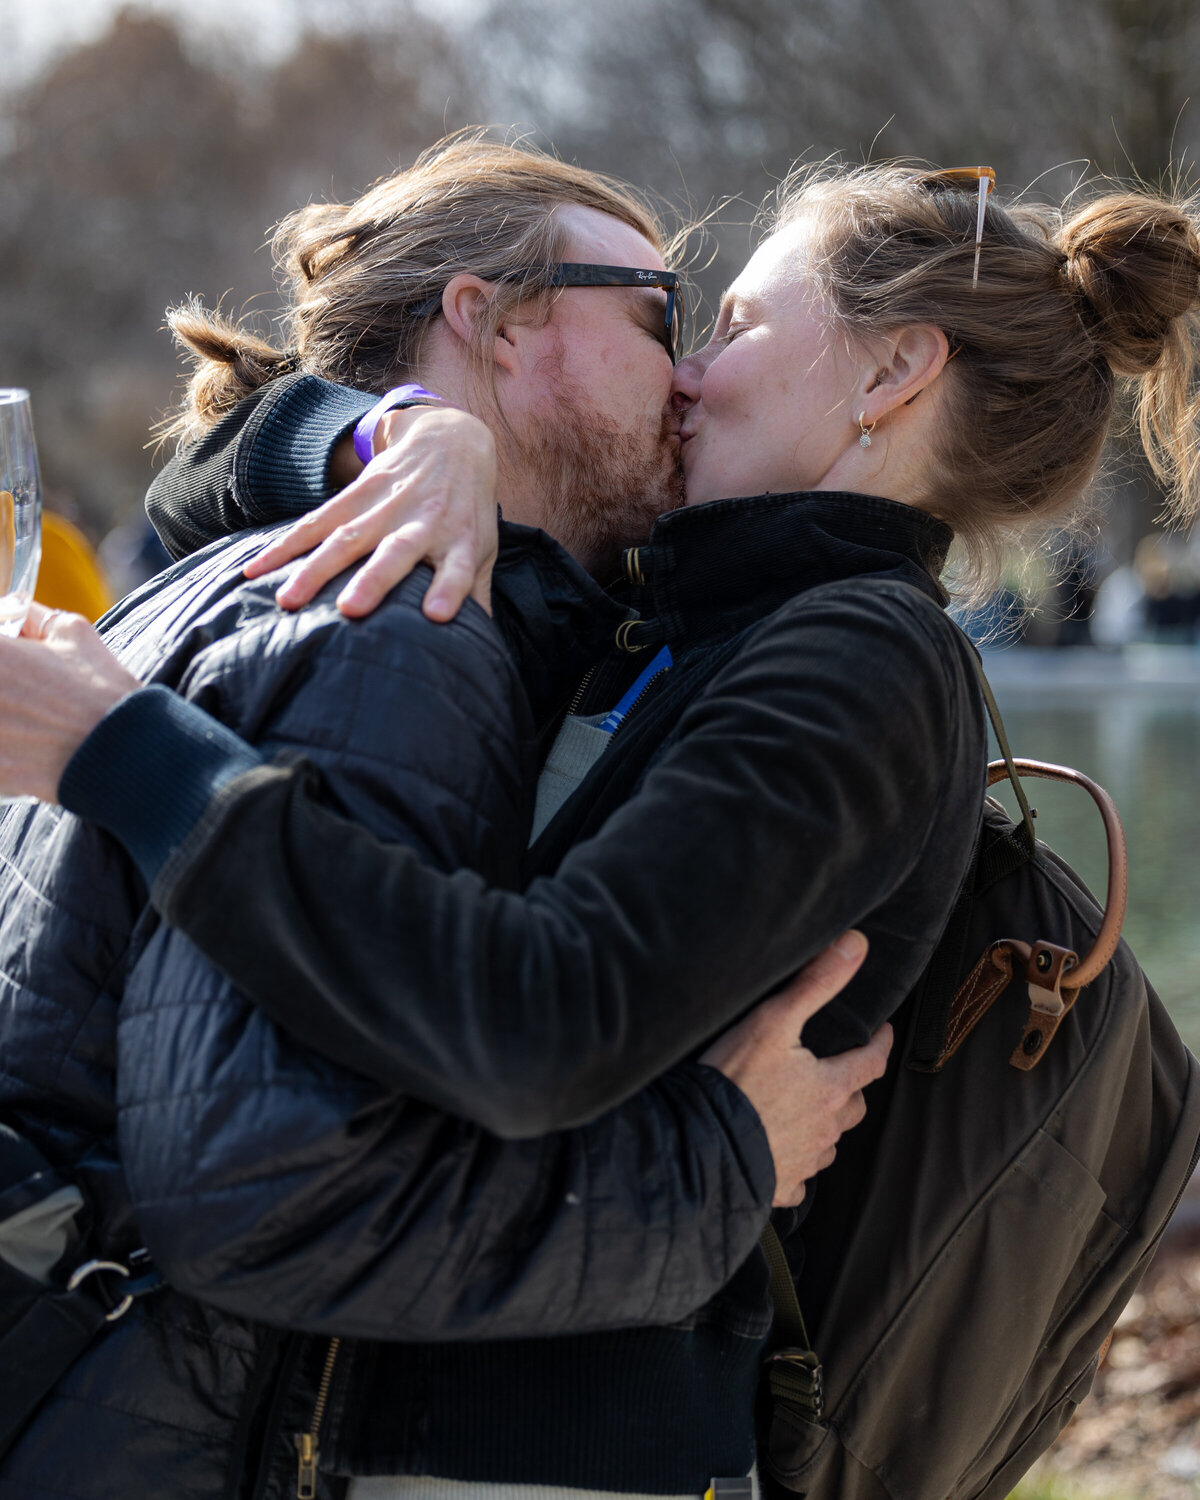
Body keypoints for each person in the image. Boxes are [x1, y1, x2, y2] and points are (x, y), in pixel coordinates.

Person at [8, 160, 1200, 1493]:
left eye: (735, 323)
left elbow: (548, 1015)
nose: (688, 373)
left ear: (893, 374)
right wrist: (404, 435)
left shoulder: (861, 658)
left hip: (569, 1456)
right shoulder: (681, 616)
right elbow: (210, 477)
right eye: (674, 326)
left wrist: (134, 760)